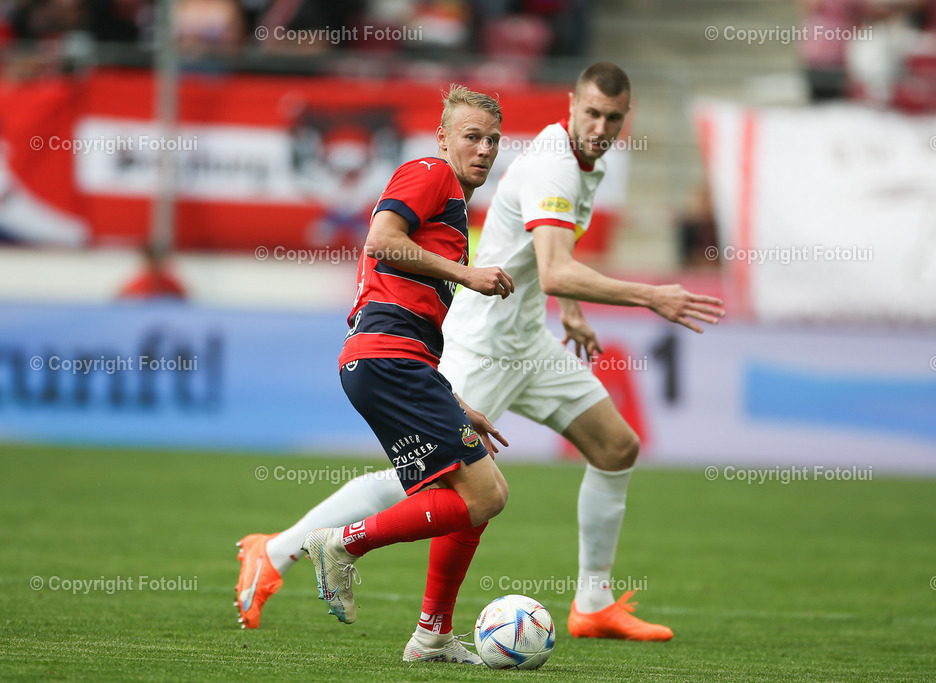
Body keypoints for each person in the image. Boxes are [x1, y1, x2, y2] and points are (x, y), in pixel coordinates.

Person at [236, 62, 725, 642]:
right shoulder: (545, 166)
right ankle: (284, 550)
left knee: (616, 446)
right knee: (434, 487)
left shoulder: (580, 167)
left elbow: (541, 259)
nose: (600, 126)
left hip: (526, 338)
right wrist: (651, 296)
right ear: (571, 103)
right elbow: (553, 266)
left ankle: (591, 604)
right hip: (485, 342)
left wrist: (567, 309)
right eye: (591, 112)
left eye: (613, 118)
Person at [240, 84, 514, 665]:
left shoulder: (453, 208)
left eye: (493, 139)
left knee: (466, 492)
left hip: (393, 359)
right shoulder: (428, 172)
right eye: (472, 136)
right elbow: (382, 241)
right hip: (387, 357)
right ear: (442, 138)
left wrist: (452, 400)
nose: (485, 149)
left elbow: (406, 303)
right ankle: (340, 543)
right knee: (487, 494)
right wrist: (467, 274)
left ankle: (432, 636)